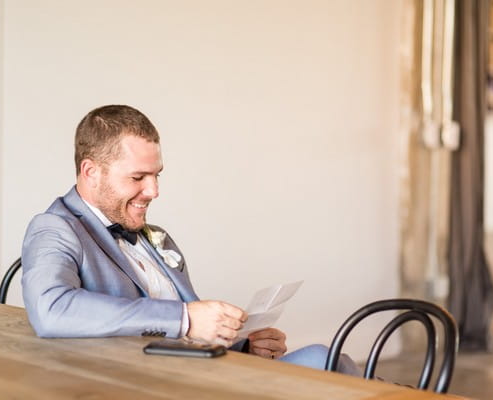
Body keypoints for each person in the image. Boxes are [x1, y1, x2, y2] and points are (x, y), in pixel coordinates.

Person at [22, 104, 359, 374]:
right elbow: (50, 310)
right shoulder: (55, 228)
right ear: (91, 172)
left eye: (156, 176)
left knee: (324, 358)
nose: (154, 191)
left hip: (198, 369)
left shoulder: (156, 237)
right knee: (326, 362)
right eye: (138, 177)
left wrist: (241, 343)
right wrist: (185, 317)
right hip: (145, 383)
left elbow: (188, 331)